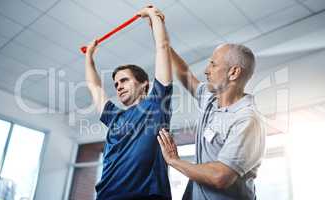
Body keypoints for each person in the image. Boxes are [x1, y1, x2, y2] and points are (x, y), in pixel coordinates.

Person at [84, 6, 173, 200]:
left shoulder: (156, 106)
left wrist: (152, 16)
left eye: (124, 80)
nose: (118, 86)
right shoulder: (113, 117)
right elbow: (94, 87)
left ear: (144, 84)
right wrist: (89, 57)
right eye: (116, 83)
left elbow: (162, 48)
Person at [157, 44, 266, 200]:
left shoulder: (247, 120)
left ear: (233, 72)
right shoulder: (211, 99)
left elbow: (220, 177)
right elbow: (184, 74)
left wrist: (174, 161)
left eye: (213, 64)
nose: (206, 70)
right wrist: (163, 43)